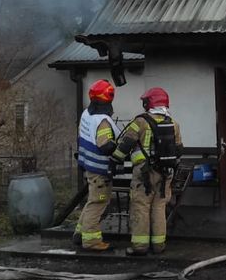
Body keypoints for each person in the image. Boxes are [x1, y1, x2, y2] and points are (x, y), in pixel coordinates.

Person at [111, 88, 183, 256]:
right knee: (159, 207)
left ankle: (140, 247)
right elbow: (179, 150)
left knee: (141, 207)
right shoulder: (174, 123)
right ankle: (158, 246)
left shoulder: (140, 122)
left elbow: (125, 146)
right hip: (165, 174)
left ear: (149, 103)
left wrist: (114, 160)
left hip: (144, 174)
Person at [74, 80, 121, 252]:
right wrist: (121, 148)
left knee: (92, 200)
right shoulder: (103, 121)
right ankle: (91, 241)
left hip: (89, 165)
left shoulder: (87, 113)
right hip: (100, 170)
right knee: (98, 203)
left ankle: (80, 233)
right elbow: (105, 145)